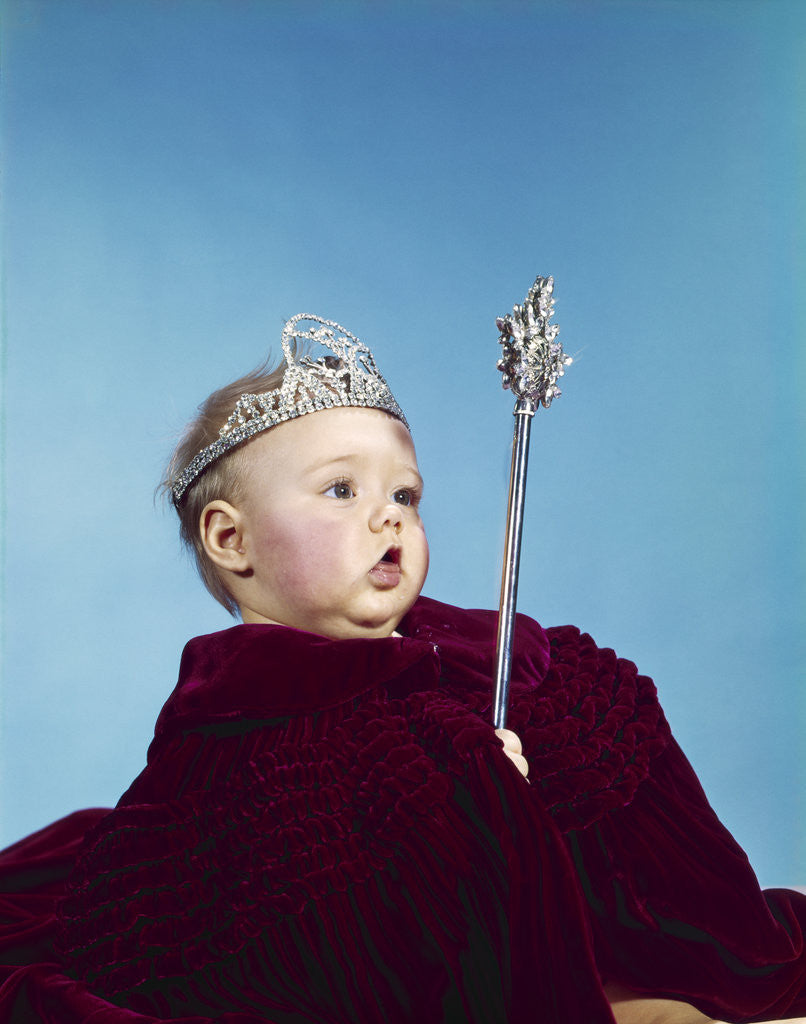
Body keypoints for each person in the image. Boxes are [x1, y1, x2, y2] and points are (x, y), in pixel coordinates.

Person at [1, 314, 805, 1023]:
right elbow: (292, 925)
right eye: (341, 490)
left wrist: (506, 784)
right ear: (229, 539)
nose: (390, 514)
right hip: (381, 986)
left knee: (666, 993)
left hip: (522, 948)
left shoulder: (486, 662)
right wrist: (464, 791)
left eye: (408, 496)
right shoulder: (232, 732)